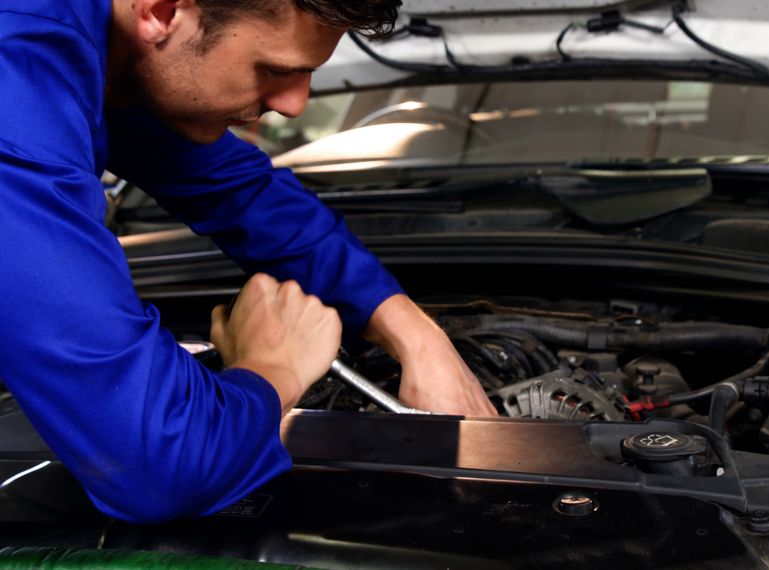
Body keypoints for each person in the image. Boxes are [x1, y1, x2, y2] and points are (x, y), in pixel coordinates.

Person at [0, 0, 496, 523]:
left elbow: (240, 192)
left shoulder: (104, 51)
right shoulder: (18, 87)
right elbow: (160, 469)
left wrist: (416, 336)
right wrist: (273, 369)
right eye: (276, 70)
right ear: (162, 11)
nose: (296, 104)